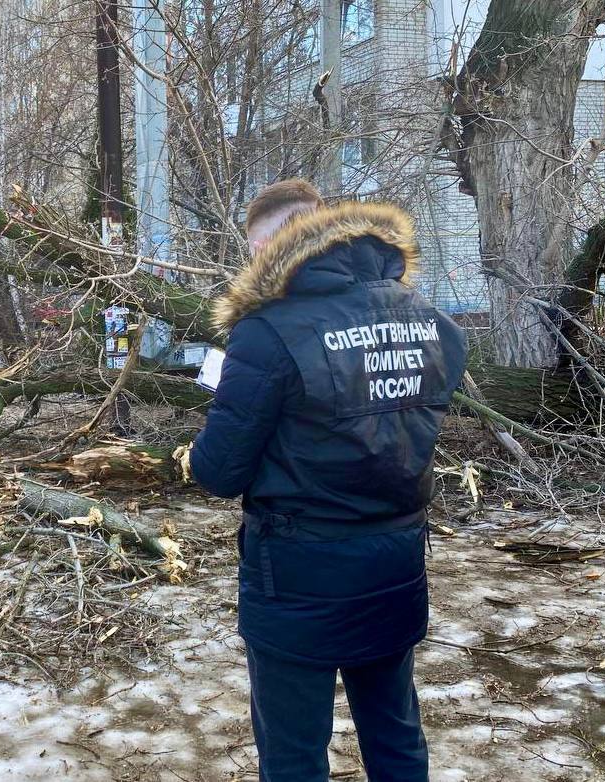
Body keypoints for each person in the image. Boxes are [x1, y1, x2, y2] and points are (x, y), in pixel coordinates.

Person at [182, 180, 467, 782]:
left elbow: (218, 471)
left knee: (292, 753)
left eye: (258, 247)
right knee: (395, 731)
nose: (256, 262)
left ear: (283, 240)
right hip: (394, 559)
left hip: (296, 571)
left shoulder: (268, 332)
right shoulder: (431, 321)